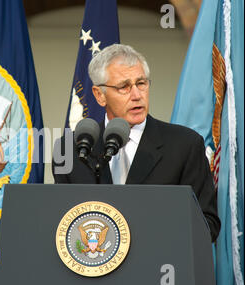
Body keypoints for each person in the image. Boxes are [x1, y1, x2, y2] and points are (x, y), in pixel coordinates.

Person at [52, 44, 220, 242]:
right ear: (99, 95)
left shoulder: (185, 145)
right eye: (124, 87)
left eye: (141, 83)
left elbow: (208, 225)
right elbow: (62, 222)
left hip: (162, 268)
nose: (137, 95)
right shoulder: (70, 150)